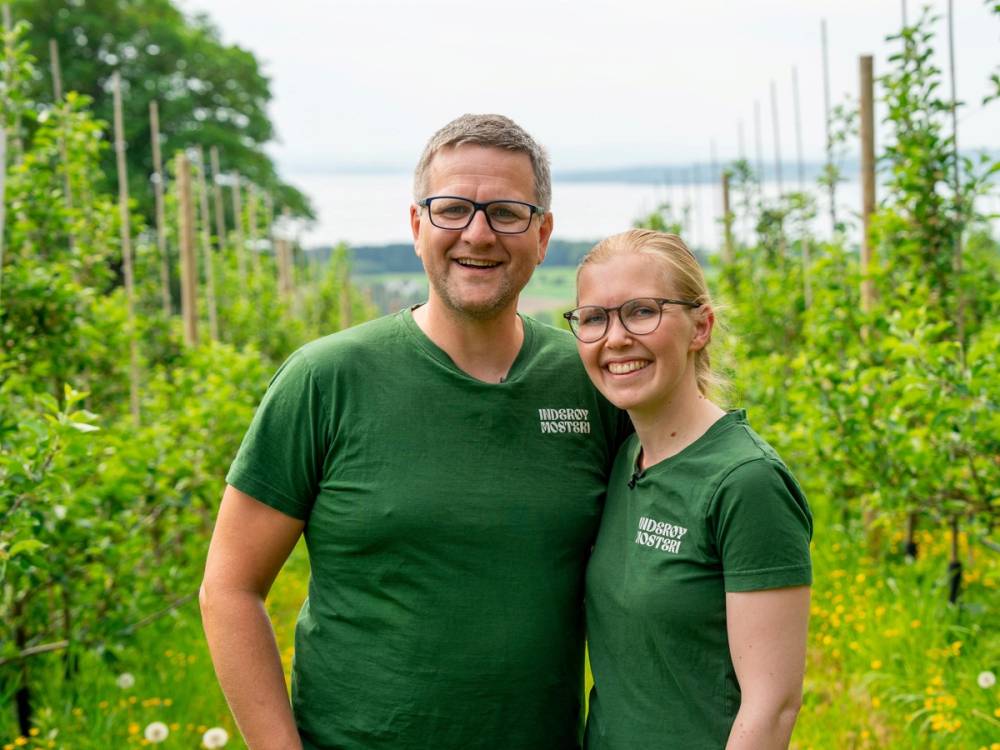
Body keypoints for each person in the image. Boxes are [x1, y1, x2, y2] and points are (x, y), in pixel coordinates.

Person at [199, 114, 627, 750]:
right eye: (452, 209)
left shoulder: (592, 381)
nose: (478, 235)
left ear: (542, 236)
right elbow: (229, 588)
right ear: (416, 225)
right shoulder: (327, 379)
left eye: (507, 212)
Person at [563, 229, 812, 749]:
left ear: (701, 326)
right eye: (594, 318)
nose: (615, 338)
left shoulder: (746, 482)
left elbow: (772, 708)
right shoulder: (624, 455)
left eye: (641, 312)